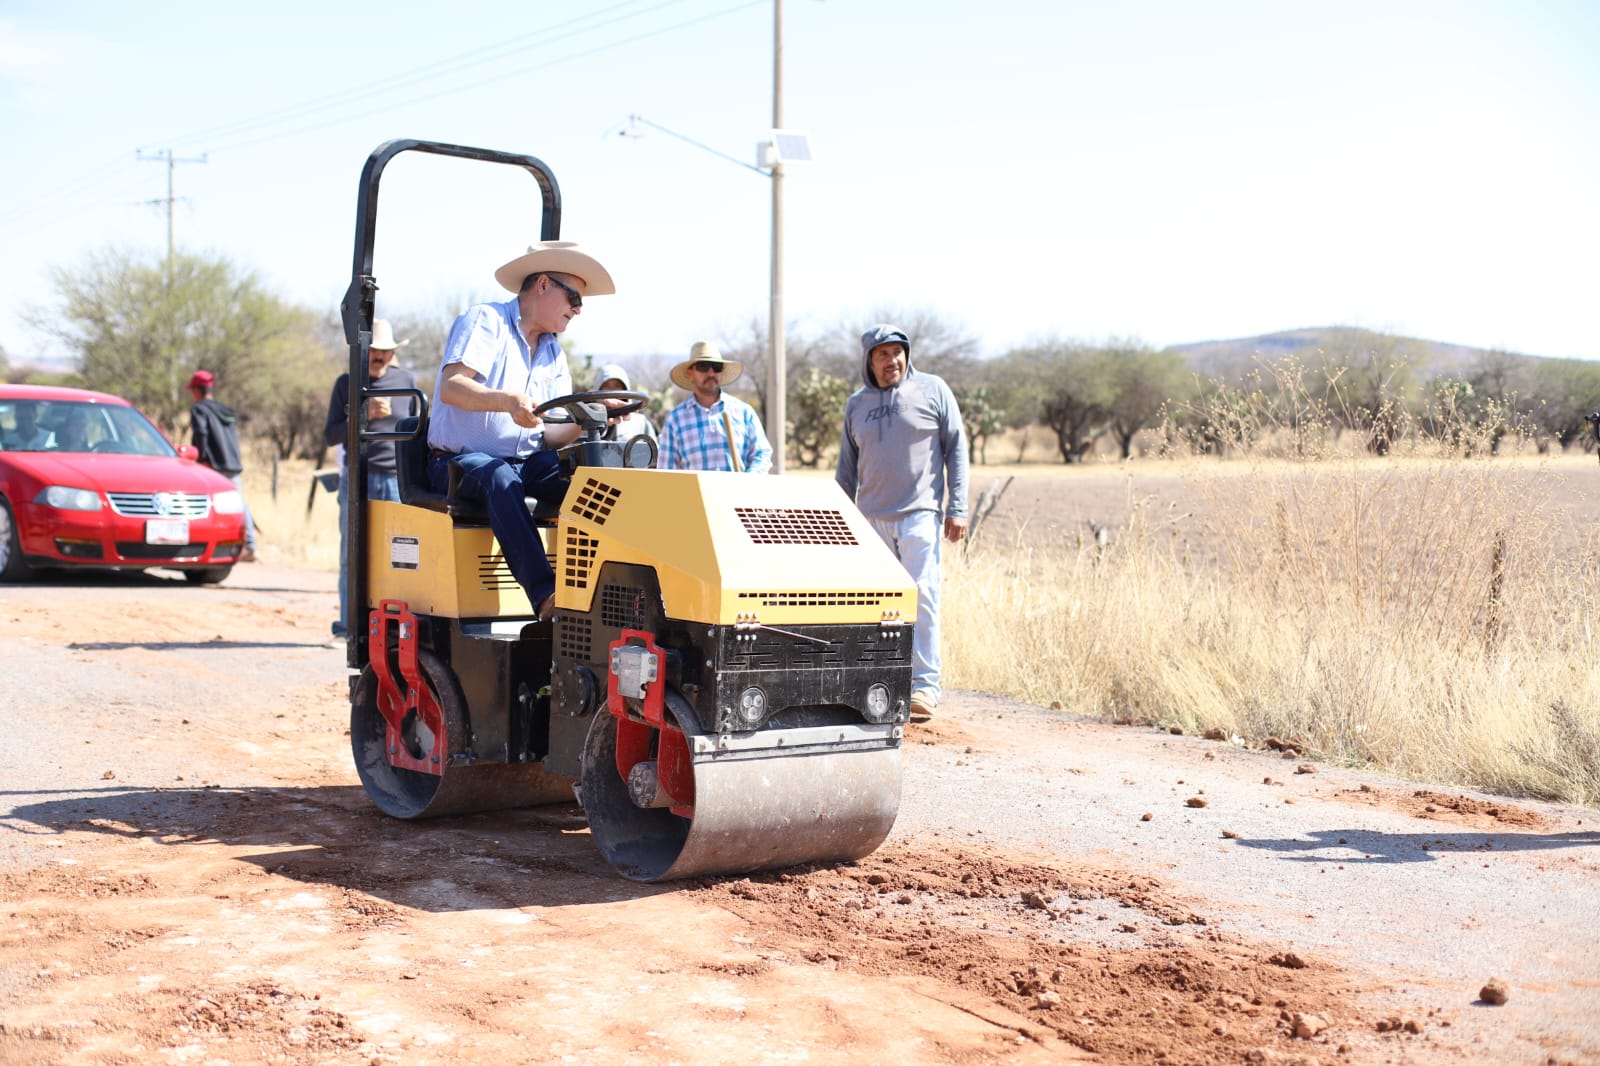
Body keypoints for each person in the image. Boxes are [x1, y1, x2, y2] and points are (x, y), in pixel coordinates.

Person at [425, 241, 616, 621]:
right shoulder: (486, 321)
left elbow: (551, 434)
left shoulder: (552, 352)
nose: (578, 309)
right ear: (543, 284)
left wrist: (589, 419)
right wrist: (508, 402)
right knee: (498, 475)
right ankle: (546, 594)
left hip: (522, 463)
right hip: (456, 465)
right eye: (574, 297)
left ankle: (605, 593)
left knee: (597, 484)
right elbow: (453, 386)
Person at [835, 324, 969, 721]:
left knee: (922, 597)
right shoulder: (857, 404)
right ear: (869, 361)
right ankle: (883, 683)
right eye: (882, 354)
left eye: (897, 352)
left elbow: (956, 448)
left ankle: (924, 687)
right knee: (874, 605)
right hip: (870, 519)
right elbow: (847, 469)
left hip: (919, 513)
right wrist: (839, 523)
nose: (891, 360)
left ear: (906, 355)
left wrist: (957, 506)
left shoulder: (933, 390)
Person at [324, 318, 419, 639]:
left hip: (398, 480)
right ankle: (349, 626)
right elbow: (330, 435)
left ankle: (393, 627)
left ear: (393, 353)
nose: (379, 358)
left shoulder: (406, 381)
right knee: (352, 553)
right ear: (362, 353)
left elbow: (418, 429)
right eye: (373, 352)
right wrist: (360, 414)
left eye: (385, 352)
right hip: (358, 478)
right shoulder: (346, 383)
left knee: (400, 554)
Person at [657, 341, 773, 474]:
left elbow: (762, 455)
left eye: (716, 367)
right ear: (690, 373)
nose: (711, 373)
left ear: (721, 372)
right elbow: (666, 471)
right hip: (695, 494)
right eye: (703, 367)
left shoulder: (744, 413)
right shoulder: (675, 420)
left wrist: (747, 482)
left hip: (738, 493)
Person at [188, 370, 258, 562]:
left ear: (197, 390)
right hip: (232, 461)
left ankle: (213, 544)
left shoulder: (199, 409)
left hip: (213, 464)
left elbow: (201, 433)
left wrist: (201, 458)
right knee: (239, 501)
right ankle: (248, 545)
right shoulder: (225, 410)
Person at [593, 362, 657, 445]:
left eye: (617, 386)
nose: (611, 390)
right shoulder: (585, 422)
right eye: (606, 385)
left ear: (624, 389)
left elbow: (654, 453)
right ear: (598, 388)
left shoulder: (640, 422)